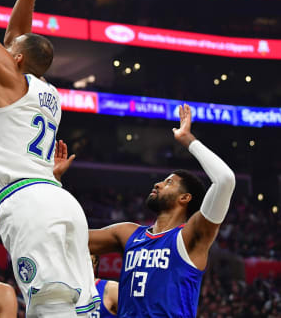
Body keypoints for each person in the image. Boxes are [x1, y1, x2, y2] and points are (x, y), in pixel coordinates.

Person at [0, 0, 98, 315]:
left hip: (29, 203)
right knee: (80, 308)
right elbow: (20, 35)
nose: (5, 49)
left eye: (9, 50)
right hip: (60, 198)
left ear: (16, 60)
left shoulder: (12, 81)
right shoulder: (47, 92)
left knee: (48, 305)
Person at [88, 105, 236, 317]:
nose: (157, 184)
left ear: (185, 198)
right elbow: (71, 237)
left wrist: (187, 140)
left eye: (168, 182)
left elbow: (225, 179)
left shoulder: (189, 237)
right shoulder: (129, 233)